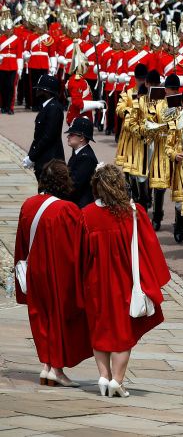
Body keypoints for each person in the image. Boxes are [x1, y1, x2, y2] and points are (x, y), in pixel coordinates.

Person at [81, 163, 170, 398]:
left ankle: (103, 376)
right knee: (122, 333)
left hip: (95, 282)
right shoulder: (133, 212)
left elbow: (80, 254)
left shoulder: (87, 214)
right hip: (125, 282)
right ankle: (117, 381)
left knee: (99, 329)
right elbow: (148, 248)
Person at [14, 160, 91, 387]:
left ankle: (46, 366)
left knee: (42, 318)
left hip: (33, 271)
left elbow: (21, 243)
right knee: (58, 318)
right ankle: (55, 368)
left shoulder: (28, 205)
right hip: (58, 273)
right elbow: (76, 248)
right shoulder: (67, 209)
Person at [26, 74, 64, 179]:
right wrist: (31, 155)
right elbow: (38, 136)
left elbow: (47, 137)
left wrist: (32, 157)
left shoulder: (54, 108)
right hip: (43, 159)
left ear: (46, 91)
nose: (37, 91)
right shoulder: (47, 107)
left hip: (50, 160)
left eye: (40, 89)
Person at [65, 117, 99, 208]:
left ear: (82, 138)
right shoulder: (78, 152)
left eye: (71, 134)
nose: (68, 136)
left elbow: (74, 185)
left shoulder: (86, 158)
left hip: (80, 206)